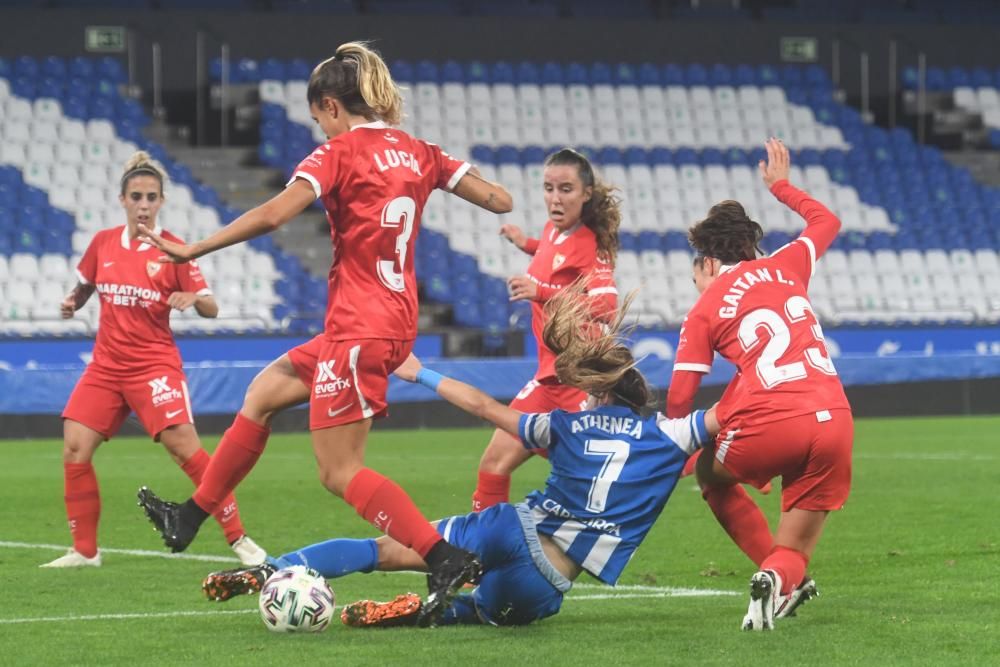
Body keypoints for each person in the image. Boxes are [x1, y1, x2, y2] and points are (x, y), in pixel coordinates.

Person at [133, 42, 513, 624]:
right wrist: (441, 177)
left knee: (339, 472)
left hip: (359, 327)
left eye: (318, 117)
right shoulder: (420, 152)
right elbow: (498, 199)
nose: (319, 126)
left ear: (332, 106)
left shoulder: (337, 153)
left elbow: (275, 214)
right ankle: (189, 516)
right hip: (386, 322)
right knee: (263, 392)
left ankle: (441, 557)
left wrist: (194, 247)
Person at [199, 287, 719, 628]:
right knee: (486, 611)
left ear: (602, 394)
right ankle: (423, 614)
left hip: (509, 529)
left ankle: (272, 570)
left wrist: (420, 374)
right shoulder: (671, 437)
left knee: (380, 550)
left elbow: (483, 405)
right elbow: (727, 415)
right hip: (545, 583)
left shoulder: (566, 424)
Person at [43, 151, 265, 568]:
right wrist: (73, 301)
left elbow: (212, 307)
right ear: (122, 200)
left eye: (151, 197)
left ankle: (240, 540)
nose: (144, 204)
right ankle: (85, 552)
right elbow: (87, 284)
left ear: (161, 202)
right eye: (136, 196)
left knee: (186, 451)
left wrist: (193, 298)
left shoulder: (175, 249)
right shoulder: (102, 244)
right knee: (75, 449)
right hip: (107, 367)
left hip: (153, 367)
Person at [666, 139, 853, 631]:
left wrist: (673, 453)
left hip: (772, 423)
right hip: (835, 419)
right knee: (793, 550)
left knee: (711, 476)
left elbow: (682, 399)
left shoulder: (705, 308)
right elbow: (828, 223)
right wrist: (781, 186)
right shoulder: (789, 265)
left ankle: (771, 574)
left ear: (707, 262)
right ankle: (779, 579)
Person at [473, 148, 620, 511]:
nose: (555, 198)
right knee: (493, 466)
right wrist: (525, 243)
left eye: (566, 189)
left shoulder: (593, 245)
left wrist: (541, 293)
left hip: (578, 379)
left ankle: (708, 465)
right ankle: (483, 555)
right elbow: (552, 256)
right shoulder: (553, 232)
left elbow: (607, 306)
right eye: (549, 188)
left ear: (586, 194)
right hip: (548, 378)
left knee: (607, 477)